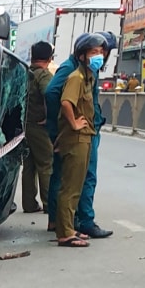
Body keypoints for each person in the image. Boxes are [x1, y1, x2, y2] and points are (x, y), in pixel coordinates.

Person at [45, 32, 114, 238]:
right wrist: (65, 125)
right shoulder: (73, 71)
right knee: (76, 181)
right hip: (76, 135)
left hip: (84, 131)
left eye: (102, 51)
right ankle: (77, 223)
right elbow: (55, 95)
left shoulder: (87, 72)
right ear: (83, 54)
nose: (100, 55)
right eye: (95, 52)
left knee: (69, 179)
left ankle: (64, 223)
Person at [21, 41, 54, 213]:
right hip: (39, 127)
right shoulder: (44, 76)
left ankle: (29, 203)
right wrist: (49, 118)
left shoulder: (25, 73)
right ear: (50, 58)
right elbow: (50, 94)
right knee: (46, 165)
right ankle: (49, 204)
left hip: (24, 126)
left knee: (29, 166)